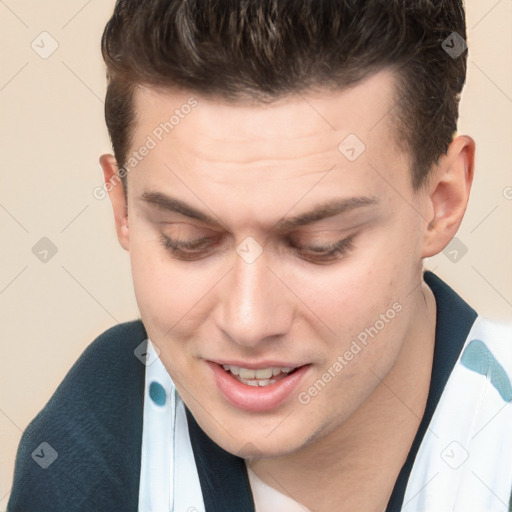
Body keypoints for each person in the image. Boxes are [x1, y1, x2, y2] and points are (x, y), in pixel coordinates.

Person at [8, 1, 512, 511]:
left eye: (321, 244)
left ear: (441, 202)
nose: (249, 323)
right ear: (122, 208)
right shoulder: (87, 448)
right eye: (188, 239)